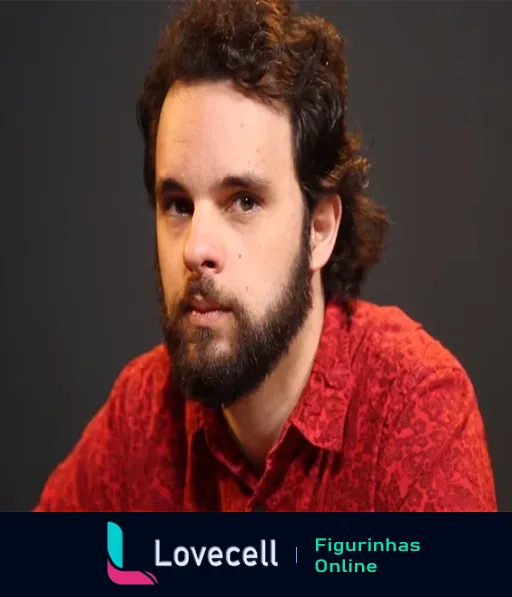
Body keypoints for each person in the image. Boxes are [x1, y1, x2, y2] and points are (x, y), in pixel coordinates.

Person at [33, 0, 497, 512]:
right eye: (179, 205)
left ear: (319, 229)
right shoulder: (142, 415)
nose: (196, 249)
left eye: (245, 202)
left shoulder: (412, 407)